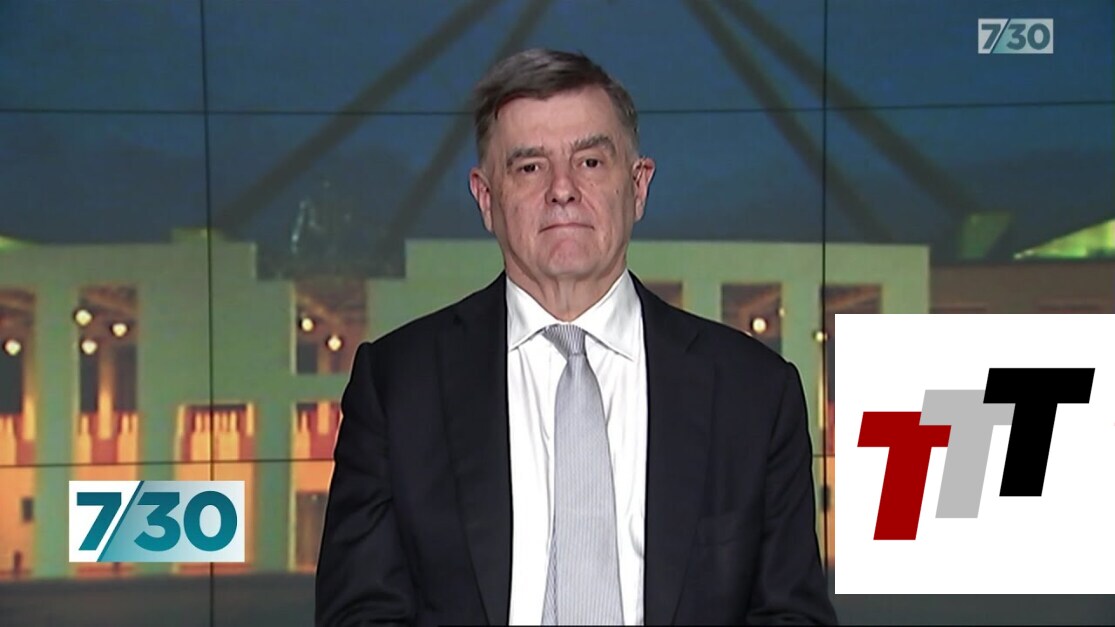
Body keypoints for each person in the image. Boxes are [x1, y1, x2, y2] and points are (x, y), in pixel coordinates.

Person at [315, 48, 837, 626]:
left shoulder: (754, 393)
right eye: (529, 167)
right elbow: (360, 614)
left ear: (638, 187)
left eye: (590, 162)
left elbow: (792, 615)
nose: (562, 189)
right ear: (486, 199)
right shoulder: (397, 387)